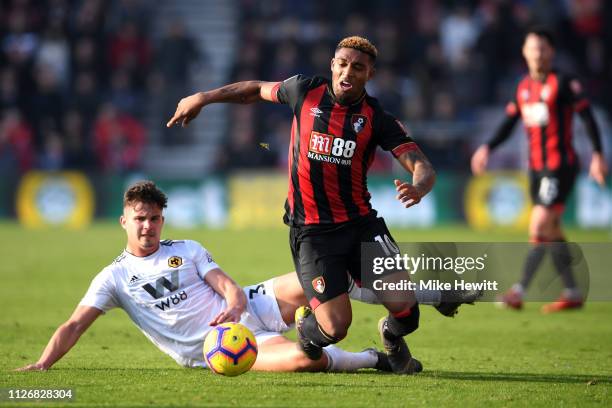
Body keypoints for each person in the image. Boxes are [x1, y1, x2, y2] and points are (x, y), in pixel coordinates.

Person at [167, 36, 436, 374]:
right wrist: (203, 97)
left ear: (370, 74)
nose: (348, 72)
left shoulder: (376, 117)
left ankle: (392, 338)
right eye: (342, 64)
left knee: (407, 312)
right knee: (336, 328)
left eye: (358, 67)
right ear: (332, 65)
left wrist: (420, 187)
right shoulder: (304, 91)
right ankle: (309, 330)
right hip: (312, 233)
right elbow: (253, 89)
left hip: (361, 225)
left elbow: (421, 164)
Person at [16, 181, 395, 373]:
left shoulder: (187, 249)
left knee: (327, 275)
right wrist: (43, 364)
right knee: (306, 361)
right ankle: (372, 359)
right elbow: (74, 325)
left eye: (154, 219)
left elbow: (227, 286)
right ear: (124, 222)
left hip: (252, 303)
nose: (147, 227)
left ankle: (420, 295)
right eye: (139, 219)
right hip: (223, 345)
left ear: (162, 220)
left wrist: (234, 304)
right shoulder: (112, 278)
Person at [470, 28, 608, 313]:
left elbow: (588, 117)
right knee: (553, 230)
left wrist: (597, 155)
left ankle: (518, 290)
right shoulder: (522, 88)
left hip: (560, 166)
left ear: (551, 52)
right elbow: (509, 123)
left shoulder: (564, 82)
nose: (538, 54)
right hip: (535, 169)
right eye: (533, 48)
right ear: (525, 52)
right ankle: (571, 291)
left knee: (539, 226)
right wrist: (487, 147)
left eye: (543, 48)